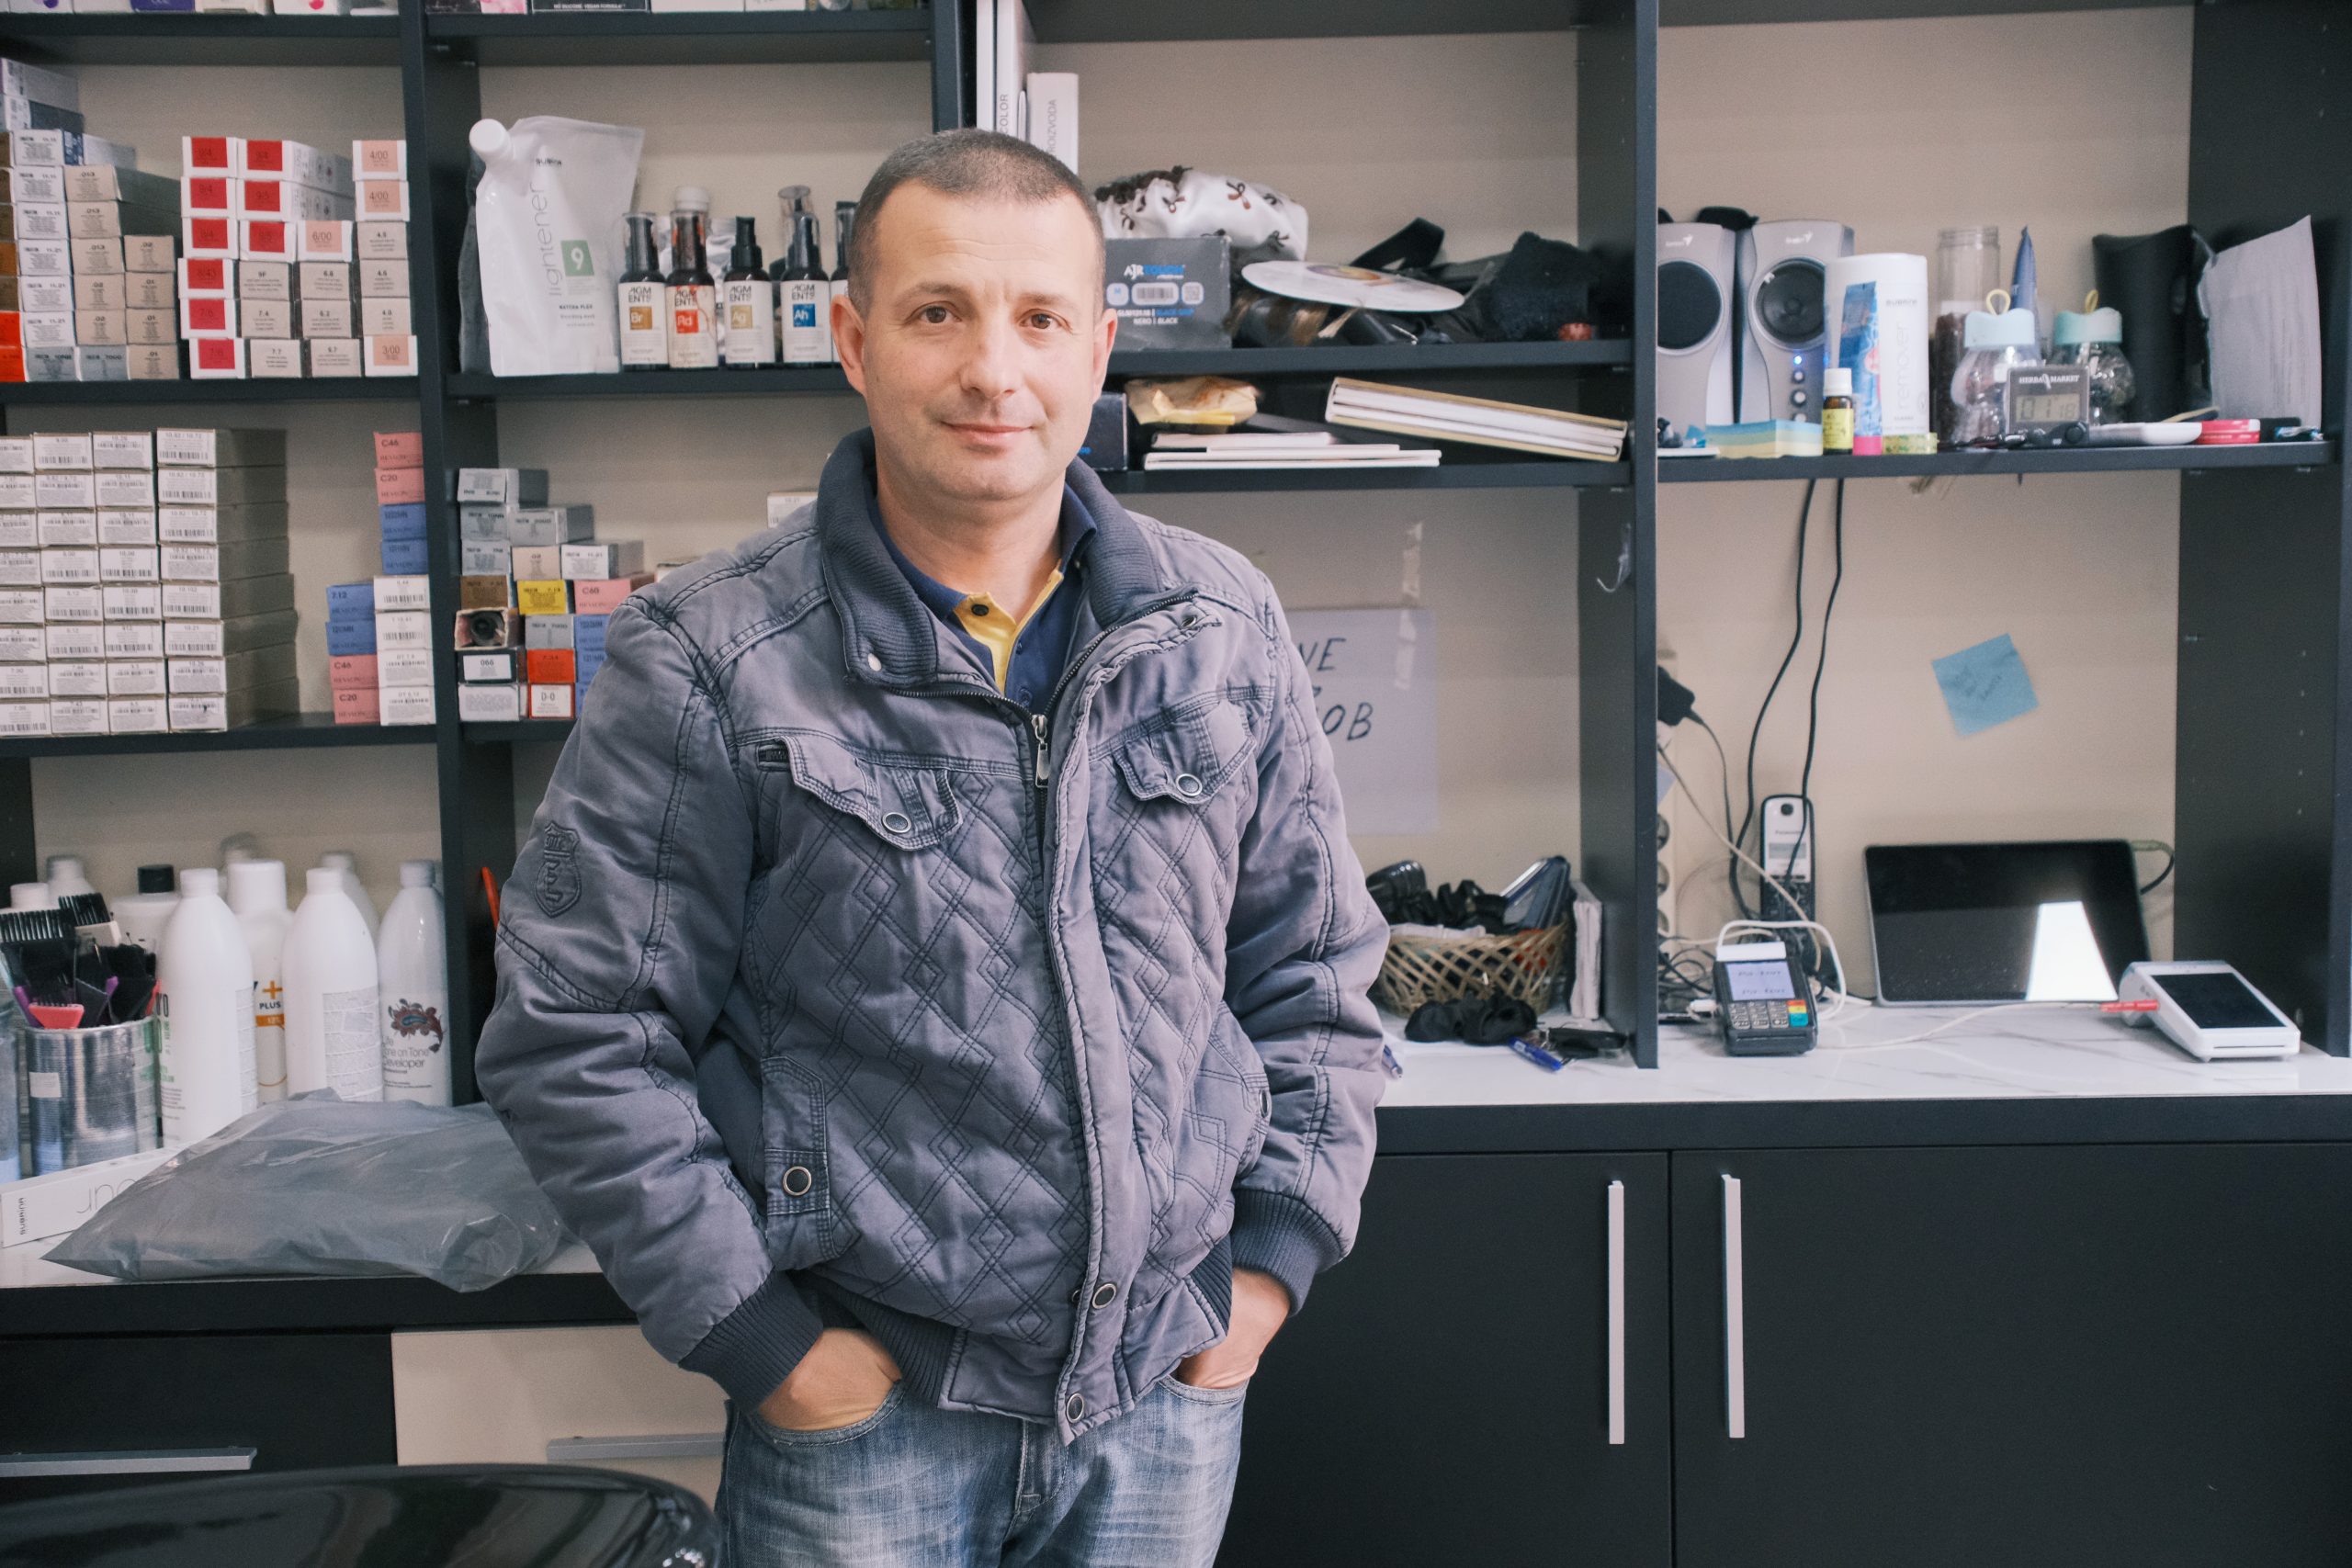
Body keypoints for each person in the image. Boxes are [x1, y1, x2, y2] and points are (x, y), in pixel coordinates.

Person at [475, 129, 1388, 1567]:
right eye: (938, 313)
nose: (992, 371)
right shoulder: (711, 655)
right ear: (855, 341)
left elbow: (1317, 980)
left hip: (1162, 1396)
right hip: (866, 1424)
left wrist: (1268, 1269)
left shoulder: (1219, 629)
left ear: (1100, 349)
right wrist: (768, 1345)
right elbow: (577, 1031)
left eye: (1039, 319)